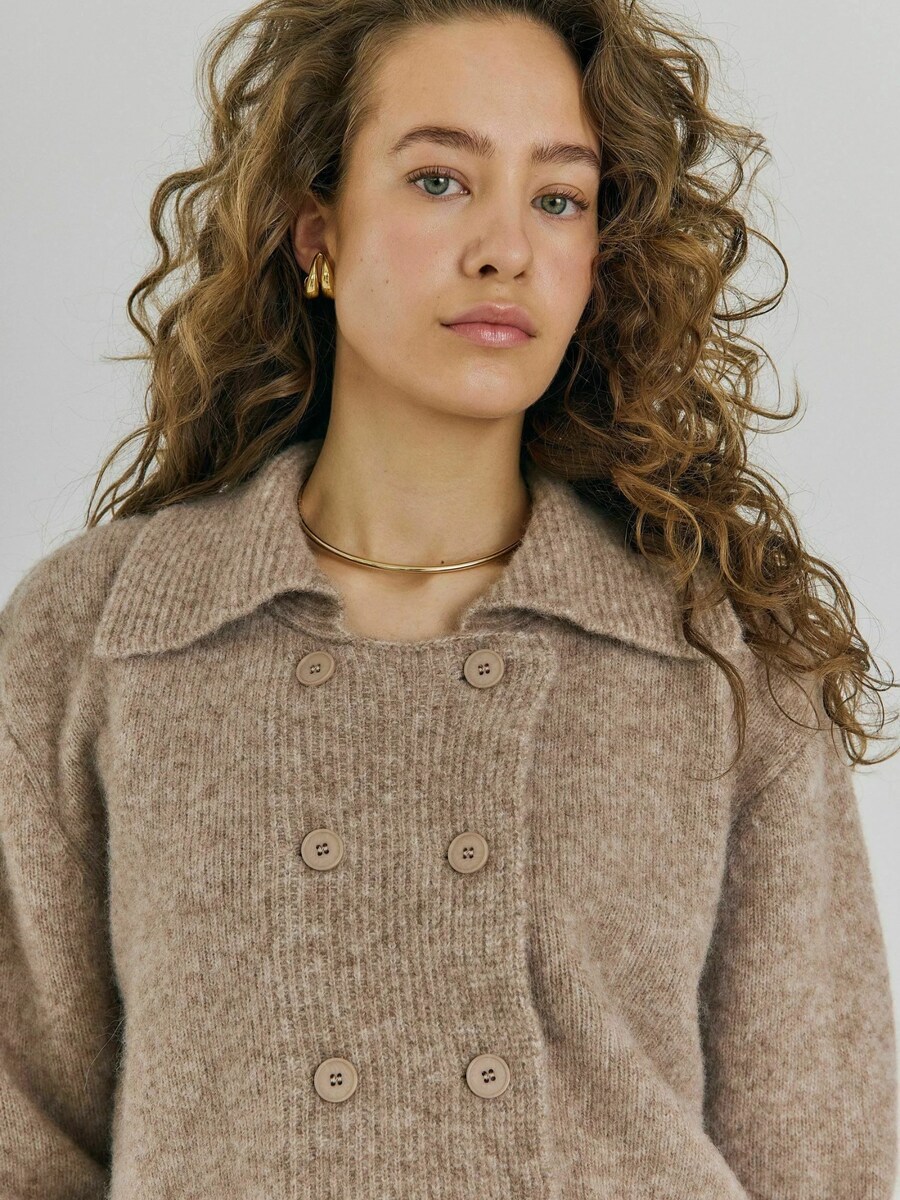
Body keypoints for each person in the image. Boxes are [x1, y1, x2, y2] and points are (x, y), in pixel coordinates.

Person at [1, 1, 897, 1196]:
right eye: (439, 180)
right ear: (317, 229)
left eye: (559, 198)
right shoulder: (102, 631)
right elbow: (22, 1134)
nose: (505, 248)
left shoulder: (715, 649)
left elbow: (823, 1159)